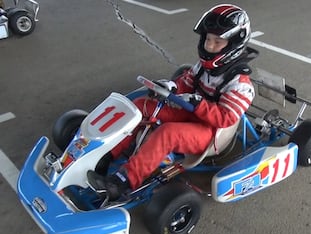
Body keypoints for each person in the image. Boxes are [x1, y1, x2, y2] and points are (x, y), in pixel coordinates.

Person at [87, 4, 256, 201]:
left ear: (234, 44)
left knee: (167, 134)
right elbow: (185, 83)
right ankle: (105, 156)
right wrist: (171, 87)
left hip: (211, 132)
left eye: (217, 42)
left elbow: (226, 118)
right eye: (208, 39)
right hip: (191, 112)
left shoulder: (241, 84)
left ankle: (123, 182)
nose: (209, 46)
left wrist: (199, 104)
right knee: (142, 105)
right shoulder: (202, 67)